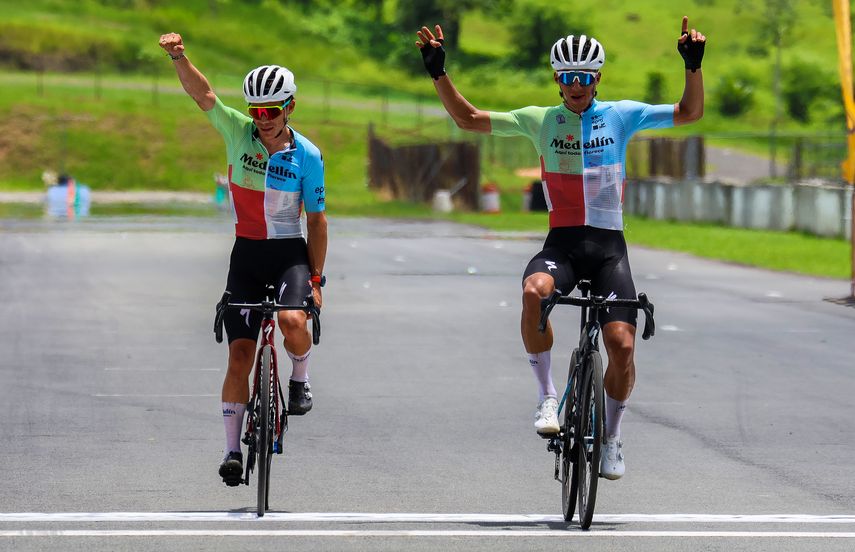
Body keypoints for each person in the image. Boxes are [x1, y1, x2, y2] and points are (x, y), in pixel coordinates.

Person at [416, 17, 705, 480]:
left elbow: (689, 113)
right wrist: (437, 72)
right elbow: (468, 119)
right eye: (568, 77)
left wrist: (693, 65)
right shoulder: (541, 121)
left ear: (597, 79)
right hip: (563, 245)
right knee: (534, 291)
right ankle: (548, 395)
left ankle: (611, 438)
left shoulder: (621, 116)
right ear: (557, 79)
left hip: (609, 248)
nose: (576, 85)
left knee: (622, 345)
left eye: (585, 77)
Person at [158, 33, 328, 486]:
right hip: (247, 255)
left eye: (271, 110)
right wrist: (179, 56)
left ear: (289, 107)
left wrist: (315, 279)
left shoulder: (308, 155)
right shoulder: (238, 131)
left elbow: (318, 221)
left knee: (294, 322)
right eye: (256, 110)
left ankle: (300, 377)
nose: (262, 119)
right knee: (239, 356)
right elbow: (203, 94)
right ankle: (232, 449)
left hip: (289, 252)